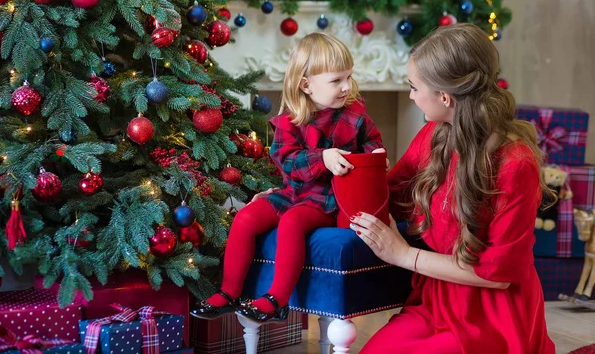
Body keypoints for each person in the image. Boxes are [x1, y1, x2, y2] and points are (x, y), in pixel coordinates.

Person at [350, 23, 555, 354]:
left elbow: (498, 276)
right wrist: (292, 197)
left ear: (444, 97)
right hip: (435, 300)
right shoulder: (434, 134)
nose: (412, 96)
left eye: (414, 87)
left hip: (494, 314)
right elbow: (387, 194)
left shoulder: (516, 164)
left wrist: (402, 254)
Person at [191, 32, 385, 323]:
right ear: (306, 85)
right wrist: (323, 156)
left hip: (328, 199)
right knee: (245, 218)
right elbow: (288, 162)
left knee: (293, 222)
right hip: (294, 192)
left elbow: (373, 146)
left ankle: (278, 299)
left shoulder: (354, 117)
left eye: (349, 77)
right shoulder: (291, 121)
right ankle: (230, 292)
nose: (346, 87)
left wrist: (372, 156)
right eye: (336, 81)